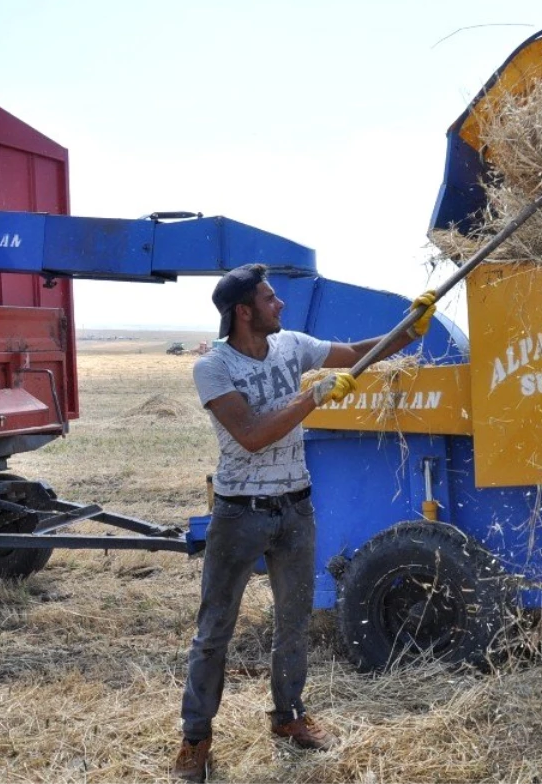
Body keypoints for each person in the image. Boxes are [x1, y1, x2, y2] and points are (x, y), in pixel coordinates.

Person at [171, 263, 436, 782]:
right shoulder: (213, 367)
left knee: (293, 623)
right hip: (239, 514)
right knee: (214, 632)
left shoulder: (292, 345)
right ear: (243, 311)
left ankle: (289, 718)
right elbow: (250, 434)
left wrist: (410, 328)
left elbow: (359, 354)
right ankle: (195, 739)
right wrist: (310, 396)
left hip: (296, 508)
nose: (281, 305)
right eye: (270, 299)